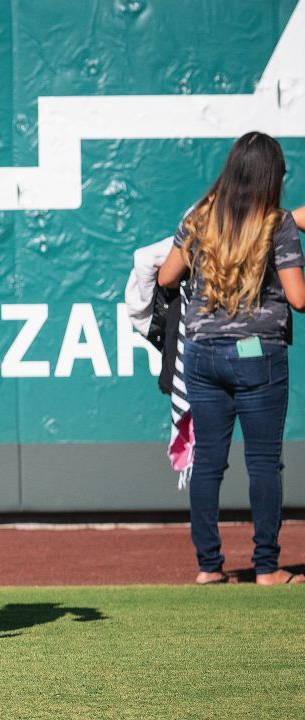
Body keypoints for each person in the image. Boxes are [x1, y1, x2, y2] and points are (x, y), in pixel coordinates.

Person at [158, 132, 305, 586]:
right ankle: (266, 567)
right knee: (263, 462)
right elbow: (297, 298)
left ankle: (208, 566)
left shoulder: (200, 218)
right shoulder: (277, 224)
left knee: (208, 463)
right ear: (271, 176)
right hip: (258, 355)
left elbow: (166, 275)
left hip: (202, 356)